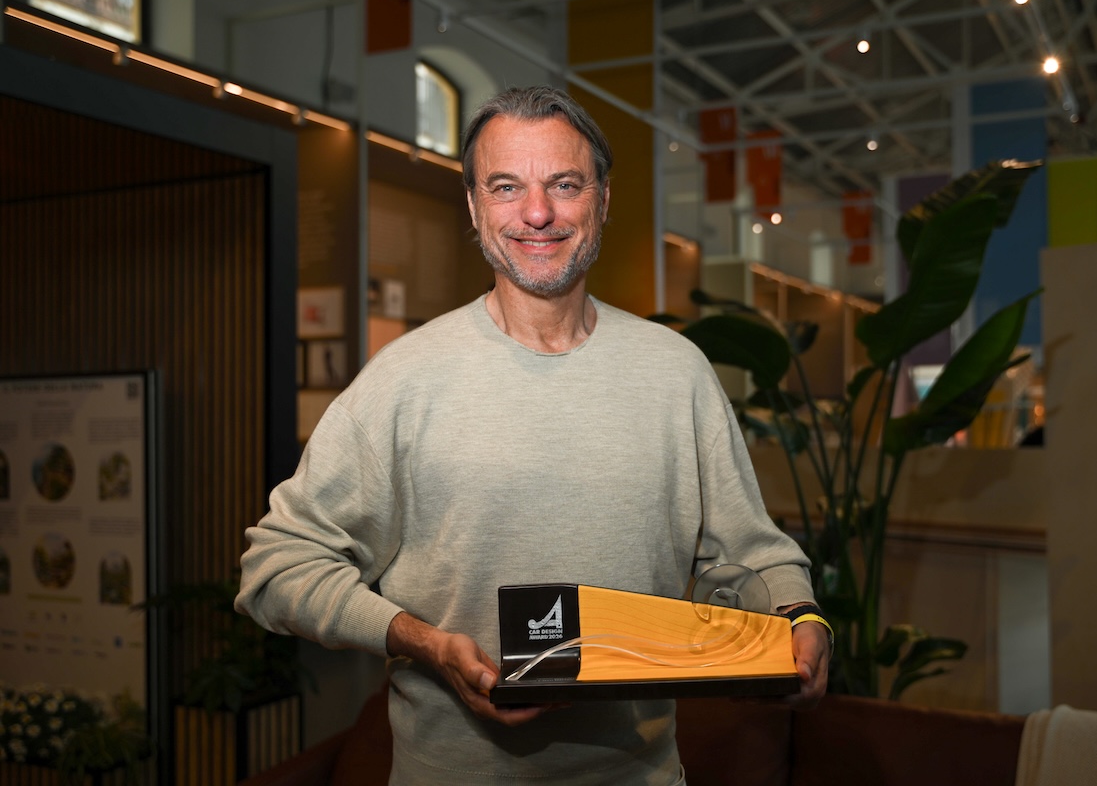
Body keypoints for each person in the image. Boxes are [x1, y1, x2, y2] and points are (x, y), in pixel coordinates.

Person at [235, 85, 829, 785]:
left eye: (565, 184)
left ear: (602, 201)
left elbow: (755, 554)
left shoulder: (678, 373)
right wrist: (423, 644)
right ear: (474, 206)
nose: (538, 212)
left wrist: (801, 616)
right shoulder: (403, 380)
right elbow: (276, 567)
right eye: (506, 186)